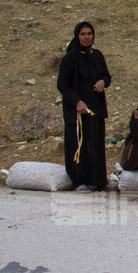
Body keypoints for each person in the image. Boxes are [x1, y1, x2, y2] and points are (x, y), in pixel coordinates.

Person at [56, 22, 111, 192]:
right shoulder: (70, 58)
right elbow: (62, 84)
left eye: (89, 34)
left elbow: (106, 76)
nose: (87, 37)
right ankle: (80, 181)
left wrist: (103, 82)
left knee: (96, 145)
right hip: (78, 111)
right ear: (77, 36)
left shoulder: (97, 55)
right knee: (79, 145)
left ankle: (99, 181)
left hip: (95, 108)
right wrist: (77, 101)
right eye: (83, 34)